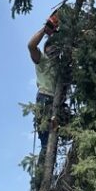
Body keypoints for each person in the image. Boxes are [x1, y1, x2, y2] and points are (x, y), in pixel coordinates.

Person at [28, 15, 60, 163]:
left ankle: (49, 175)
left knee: (53, 142)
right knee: (46, 142)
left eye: (56, 49)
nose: (54, 51)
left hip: (56, 103)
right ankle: (41, 179)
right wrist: (46, 29)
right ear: (46, 50)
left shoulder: (60, 67)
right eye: (51, 48)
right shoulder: (42, 60)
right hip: (44, 98)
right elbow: (31, 46)